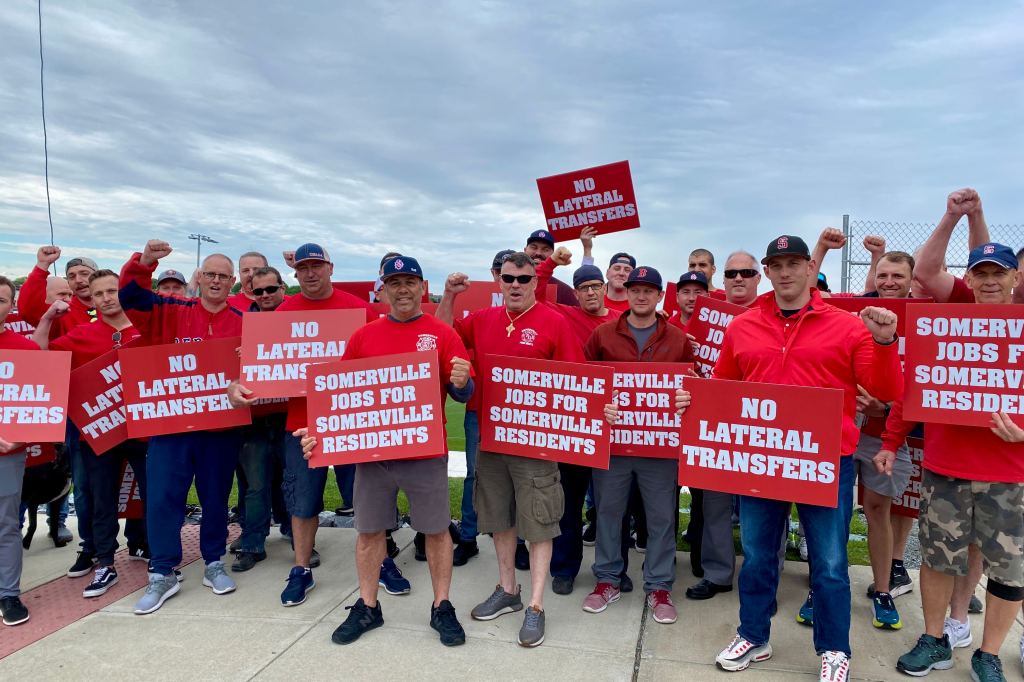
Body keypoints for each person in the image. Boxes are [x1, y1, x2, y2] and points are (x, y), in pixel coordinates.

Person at [686, 234, 902, 682]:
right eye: (777, 265)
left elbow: (886, 391)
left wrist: (884, 344)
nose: (785, 272)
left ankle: (834, 648)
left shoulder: (846, 326)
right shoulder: (743, 326)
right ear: (767, 271)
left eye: (794, 263)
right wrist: (694, 401)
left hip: (827, 461)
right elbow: (725, 387)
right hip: (761, 459)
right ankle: (753, 634)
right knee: (758, 556)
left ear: (809, 268)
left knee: (830, 562)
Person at [302, 256, 474, 646]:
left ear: (422, 287)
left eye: (410, 281)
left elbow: (463, 393)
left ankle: (442, 605)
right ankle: (368, 606)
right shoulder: (364, 336)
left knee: (436, 531)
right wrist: (319, 431)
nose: (403, 289)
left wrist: (462, 382)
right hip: (374, 455)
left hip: (425, 452)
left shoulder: (442, 333)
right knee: (369, 531)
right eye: (394, 282)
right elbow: (341, 395)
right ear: (383, 289)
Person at [437, 252, 604, 647]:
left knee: (539, 520)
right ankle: (508, 589)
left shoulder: (554, 322)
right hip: (492, 437)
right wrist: (449, 295)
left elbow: (575, 379)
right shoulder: (483, 320)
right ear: (499, 281)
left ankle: (535, 604)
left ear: (534, 282)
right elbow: (441, 335)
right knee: (500, 517)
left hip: (536, 443)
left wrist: (597, 411)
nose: (515, 285)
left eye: (523, 279)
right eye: (509, 278)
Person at [893, 242, 1024, 681]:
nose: (990, 281)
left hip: (1009, 473)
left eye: (999, 273)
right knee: (937, 559)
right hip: (946, 466)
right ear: (967, 279)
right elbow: (915, 386)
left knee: (1009, 570)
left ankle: (989, 654)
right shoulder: (943, 325)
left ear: (1015, 278)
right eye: (980, 273)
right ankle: (934, 640)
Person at [229, 243, 377, 608]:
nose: (310, 273)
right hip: (301, 423)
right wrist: (243, 375)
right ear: (296, 273)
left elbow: (381, 354)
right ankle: (300, 568)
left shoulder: (359, 309)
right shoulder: (283, 311)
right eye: (304, 268)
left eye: (317, 266)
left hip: (351, 418)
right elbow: (262, 366)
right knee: (303, 500)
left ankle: (382, 563)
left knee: (365, 497)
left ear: (330, 267)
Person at [118, 240, 246, 614]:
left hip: (220, 430)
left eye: (224, 276)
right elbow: (130, 297)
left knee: (215, 498)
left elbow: (259, 369)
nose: (217, 281)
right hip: (171, 427)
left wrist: (243, 379)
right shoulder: (170, 310)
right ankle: (162, 571)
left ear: (233, 282)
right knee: (162, 499)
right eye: (211, 274)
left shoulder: (244, 322)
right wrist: (144, 262)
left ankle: (214, 562)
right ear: (199, 277)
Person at [582, 266, 693, 625]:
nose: (641, 296)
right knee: (609, 513)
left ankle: (659, 586)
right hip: (614, 444)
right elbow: (585, 384)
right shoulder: (603, 334)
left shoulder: (677, 338)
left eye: (648, 290)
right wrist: (601, 405)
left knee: (661, 518)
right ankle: (607, 579)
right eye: (635, 290)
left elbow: (693, 387)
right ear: (626, 293)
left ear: (660, 296)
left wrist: (686, 396)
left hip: (659, 446)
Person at [33, 270, 150, 597]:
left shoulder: (146, 329)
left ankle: (158, 557)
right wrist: (46, 319)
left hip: (143, 431)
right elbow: (39, 355)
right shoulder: (83, 334)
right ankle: (105, 563)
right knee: (101, 499)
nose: (107, 298)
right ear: (91, 300)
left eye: (112, 291)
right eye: (99, 294)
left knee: (153, 494)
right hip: (98, 434)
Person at [535, 247, 622, 595]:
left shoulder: (621, 318)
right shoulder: (563, 315)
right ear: (576, 293)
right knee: (568, 503)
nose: (590, 292)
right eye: (583, 288)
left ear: (605, 288)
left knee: (611, 505)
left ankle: (612, 570)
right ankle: (564, 568)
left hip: (613, 421)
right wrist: (551, 262)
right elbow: (535, 290)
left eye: (595, 286)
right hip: (575, 423)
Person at [231, 266, 289, 573]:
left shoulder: (301, 320)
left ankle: (299, 538)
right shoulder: (240, 322)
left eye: (271, 289)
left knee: (294, 482)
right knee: (255, 486)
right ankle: (253, 543)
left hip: (290, 416)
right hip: (254, 419)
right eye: (258, 291)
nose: (265, 295)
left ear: (282, 288)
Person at [0, 274, 40, 627]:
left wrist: (21, 438)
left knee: (6, 525)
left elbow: (40, 407)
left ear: (11, 306)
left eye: (1, 300)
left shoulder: (26, 350)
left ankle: (8, 594)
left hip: (7, 455)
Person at [523, 230, 579, 307]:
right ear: (525, 250)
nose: (538, 253)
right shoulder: (510, 283)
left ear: (553, 254)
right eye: (534, 247)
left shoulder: (565, 291)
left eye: (545, 249)